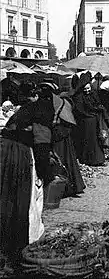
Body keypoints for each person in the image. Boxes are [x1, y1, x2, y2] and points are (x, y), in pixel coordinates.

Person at [1, 82, 48, 272]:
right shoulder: (43, 116)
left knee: (6, 200)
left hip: (5, 154)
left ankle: (6, 243)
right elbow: (42, 146)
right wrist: (44, 174)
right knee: (23, 202)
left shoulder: (24, 112)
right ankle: (19, 246)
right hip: (20, 158)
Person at [39, 81, 85, 198]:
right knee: (68, 159)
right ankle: (73, 185)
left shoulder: (52, 102)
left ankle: (62, 187)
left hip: (58, 134)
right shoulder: (63, 101)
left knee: (59, 159)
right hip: (65, 133)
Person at [72, 73, 106, 166]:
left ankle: (96, 159)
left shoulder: (93, 94)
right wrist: (94, 110)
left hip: (93, 121)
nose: (87, 91)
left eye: (88, 88)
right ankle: (89, 159)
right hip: (85, 122)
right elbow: (80, 110)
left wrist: (97, 108)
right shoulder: (79, 97)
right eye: (85, 89)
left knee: (95, 140)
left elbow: (96, 104)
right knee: (88, 141)